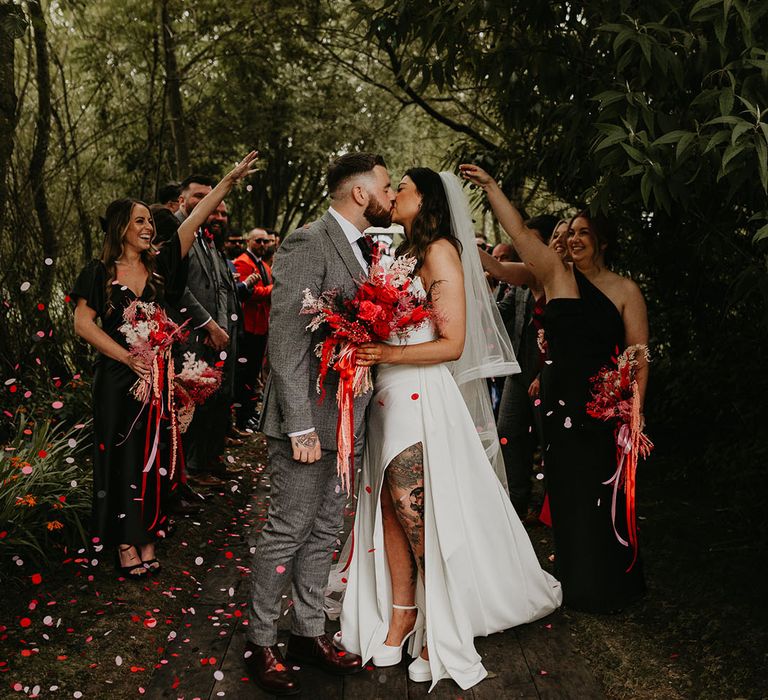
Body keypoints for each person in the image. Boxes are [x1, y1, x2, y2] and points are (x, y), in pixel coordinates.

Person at [337, 168, 562, 690]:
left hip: (419, 395)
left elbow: (453, 343)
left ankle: (437, 621)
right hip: (387, 394)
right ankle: (401, 615)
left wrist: (386, 351)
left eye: (403, 190)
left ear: (428, 199)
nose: (393, 197)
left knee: (416, 512)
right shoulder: (401, 256)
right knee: (390, 510)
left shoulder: (440, 251)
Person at [461, 163, 649, 613]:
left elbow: (638, 354)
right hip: (561, 406)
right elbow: (522, 234)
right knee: (567, 493)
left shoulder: (625, 290)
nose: (575, 238)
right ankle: (576, 582)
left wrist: (635, 412)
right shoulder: (556, 276)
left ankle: (613, 585)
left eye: (585, 232)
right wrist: (490, 187)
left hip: (608, 408)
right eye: (572, 232)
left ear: (601, 239)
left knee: (605, 494)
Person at [245, 153, 396, 695]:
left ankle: (308, 632)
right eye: (384, 184)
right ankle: (261, 640)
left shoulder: (366, 250)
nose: (390, 194)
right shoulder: (309, 241)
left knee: (327, 528)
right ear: (360, 193)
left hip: (348, 417)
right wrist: (300, 426)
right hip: (309, 422)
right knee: (287, 529)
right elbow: (286, 340)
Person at [71, 152, 257, 580]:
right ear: (120, 227)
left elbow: (192, 222)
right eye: (139, 221)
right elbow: (83, 324)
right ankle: (123, 540)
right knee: (121, 458)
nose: (148, 227)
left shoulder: (160, 267)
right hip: (119, 382)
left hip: (159, 381)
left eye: (149, 222)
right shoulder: (97, 273)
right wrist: (127, 357)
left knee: (155, 458)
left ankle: (147, 532)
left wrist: (227, 180)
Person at [483, 218, 566, 518]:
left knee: (550, 443)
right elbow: (497, 309)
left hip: (549, 377)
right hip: (518, 375)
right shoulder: (521, 284)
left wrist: (544, 374)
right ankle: (516, 502)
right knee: (507, 432)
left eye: (530, 240)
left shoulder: (561, 282)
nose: (524, 247)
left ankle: (548, 507)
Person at [173, 199, 240, 489]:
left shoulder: (209, 240)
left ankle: (205, 462)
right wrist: (208, 324)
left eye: (224, 212)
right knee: (190, 406)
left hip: (216, 334)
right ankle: (187, 473)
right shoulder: (178, 233)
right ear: (182, 199)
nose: (219, 216)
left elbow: (222, 287)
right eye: (214, 209)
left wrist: (221, 325)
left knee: (214, 401)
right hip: (190, 336)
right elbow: (179, 288)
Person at [233, 228, 275, 430]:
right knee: (245, 375)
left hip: (261, 326)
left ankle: (250, 412)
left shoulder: (263, 265)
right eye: (259, 240)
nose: (263, 244)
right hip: (248, 326)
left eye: (266, 241)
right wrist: (274, 289)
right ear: (249, 241)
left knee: (253, 373)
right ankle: (242, 416)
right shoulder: (243, 262)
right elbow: (247, 293)